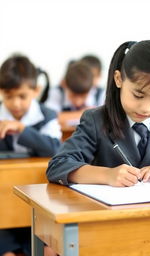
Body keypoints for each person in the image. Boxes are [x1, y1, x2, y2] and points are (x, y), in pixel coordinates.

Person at [46, 40, 150, 256]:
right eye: (138, 95)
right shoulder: (96, 120)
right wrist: (107, 175)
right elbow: (58, 166)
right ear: (119, 79)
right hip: (111, 226)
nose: (146, 108)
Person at [0, 54, 61, 256]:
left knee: (49, 250)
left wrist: (22, 129)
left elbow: (55, 148)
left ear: (35, 91)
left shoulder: (47, 116)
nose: (15, 104)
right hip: (3, 204)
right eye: (9, 97)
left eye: (22, 96)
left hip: (37, 204)